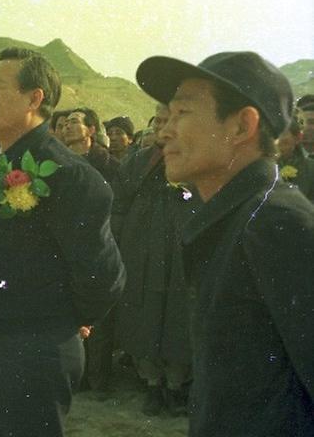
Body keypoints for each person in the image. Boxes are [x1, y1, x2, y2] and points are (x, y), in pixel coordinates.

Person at [135, 50, 314, 436]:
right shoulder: (236, 215)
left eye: (182, 113)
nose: (164, 131)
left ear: (241, 126)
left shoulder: (276, 223)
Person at [0, 48, 125, 436]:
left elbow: (103, 275)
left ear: (35, 99)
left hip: (34, 350)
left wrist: (64, 321)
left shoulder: (69, 175)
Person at [111, 103, 194, 416]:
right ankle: (152, 383)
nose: (161, 126)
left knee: (176, 315)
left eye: (167, 120)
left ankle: (176, 385)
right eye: (157, 120)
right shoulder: (137, 162)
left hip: (180, 251)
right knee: (143, 314)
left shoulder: (194, 158)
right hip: (140, 248)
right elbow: (119, 205)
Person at [277, 119, 314, 201]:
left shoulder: (311, 169)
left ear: (298, 138)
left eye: (282, 134)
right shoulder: (263, 167)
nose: (277, 141)